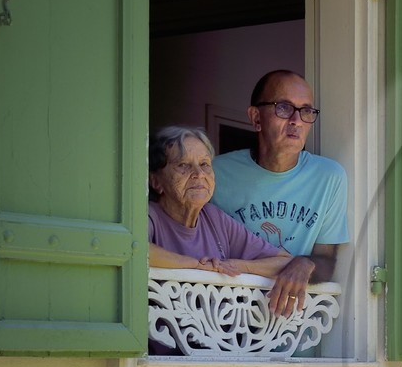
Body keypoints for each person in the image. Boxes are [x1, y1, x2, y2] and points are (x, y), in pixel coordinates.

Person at [212, 69, 350, 317]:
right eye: (284, 108)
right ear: (256, 118)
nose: (297, 121)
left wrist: (304, 263)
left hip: (293, 327)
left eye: (306, 111)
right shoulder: (215, 173)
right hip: (224, 318)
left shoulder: (329, 177)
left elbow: (326, 260)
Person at [148, 126, 291, 286]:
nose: (199, 174)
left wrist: (237, 265)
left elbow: (284, 262)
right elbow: (137, 249)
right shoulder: (149, 215)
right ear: (156, 182)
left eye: (204, 164)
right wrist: (196, 265)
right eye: (183, 165)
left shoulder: (215, 218)